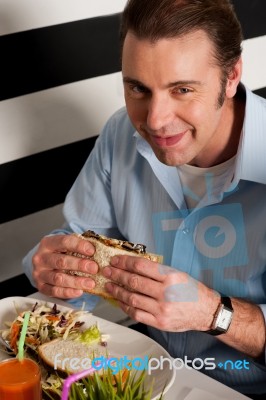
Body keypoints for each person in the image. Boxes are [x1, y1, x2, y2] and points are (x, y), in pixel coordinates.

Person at [22, 0, 266, 398]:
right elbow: (79, 247)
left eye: (182, 89)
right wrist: (54, 267)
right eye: (138, 88)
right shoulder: (121, 133)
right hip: (141, 378)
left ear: (231, 75)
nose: (154, 121)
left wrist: (212, 314)